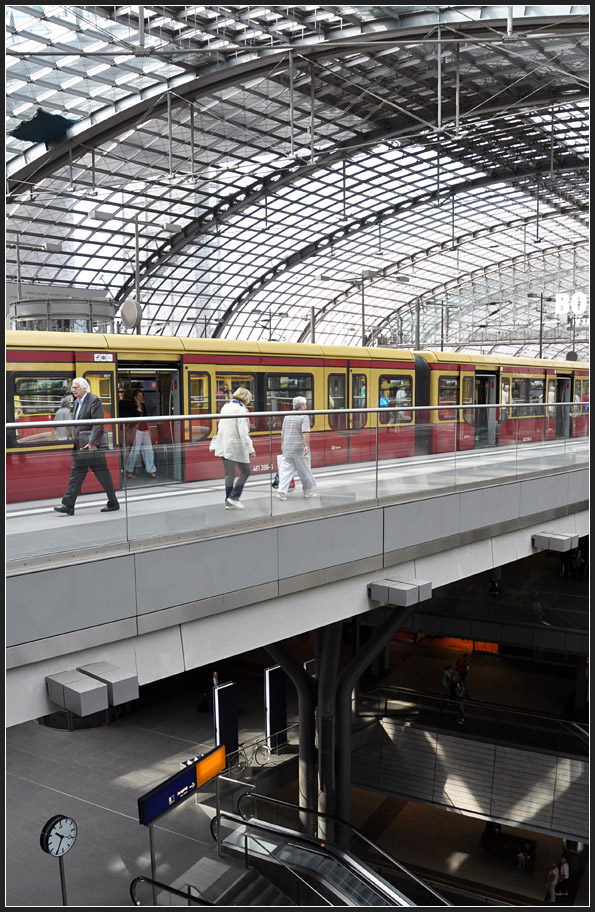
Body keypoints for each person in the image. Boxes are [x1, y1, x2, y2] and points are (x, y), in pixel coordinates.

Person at [53, 377, 119, 515]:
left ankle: (113, 502)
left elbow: (98, 423)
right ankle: (68, 505)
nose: (73, 390)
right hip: (80, 446)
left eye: (75, 387)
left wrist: (93, 442)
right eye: (72, 388)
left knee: (102, 475)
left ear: (84, 388)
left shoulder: (93, 401)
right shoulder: (77, 403)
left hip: (91, 447)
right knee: (76, 475)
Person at [209, 387, 255, 509]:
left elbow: (221, 427)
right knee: (246, 471)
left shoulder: (225, 407)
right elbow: (243, 433)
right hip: (235, 446)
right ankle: (234, 497)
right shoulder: (241, 410)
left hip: (224, 445)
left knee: (229, 474)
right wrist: (250, 448)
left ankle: (228, 502)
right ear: (245, 398)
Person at [276, 395, 317, 501]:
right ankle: (308, 491)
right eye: (305, 404)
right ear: (302, 406)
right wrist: (306, 446)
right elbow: (305, 432)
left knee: (285, 470)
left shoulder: (287, 416)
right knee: (305, 470)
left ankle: (281, 491)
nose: (306, 406)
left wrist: (282, 445)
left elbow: (283, 433)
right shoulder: (304, 416)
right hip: (300, 447)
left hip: (287, 447)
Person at [125, 387, 157, 479]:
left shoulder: (143, 406)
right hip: (136, 429)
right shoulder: (132, 405)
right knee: (135, 450)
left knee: (149, 450)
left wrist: (149, 429)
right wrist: (138, 404)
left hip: (144, 429)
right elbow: (137, 415)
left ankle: (151, 470)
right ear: (134, 397)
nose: (140, 398)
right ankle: (129, 470)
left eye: (141, 396)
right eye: (138, 396)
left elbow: (145, 419)